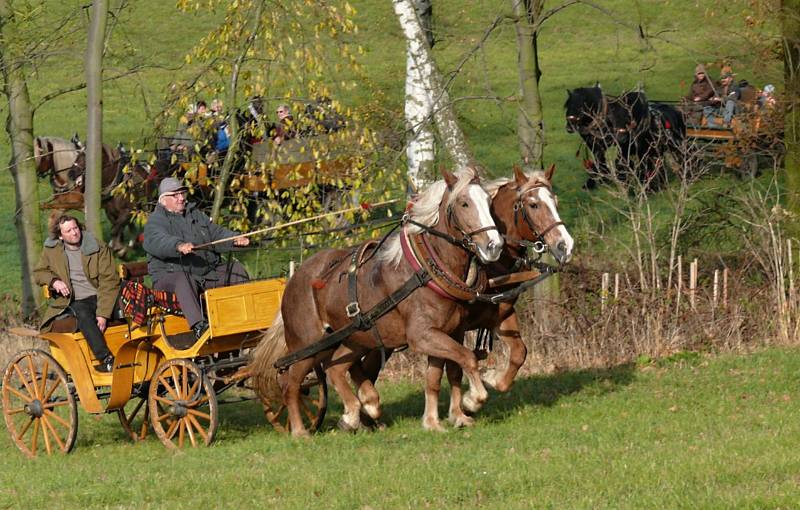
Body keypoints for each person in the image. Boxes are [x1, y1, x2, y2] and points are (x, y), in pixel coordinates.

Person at [143, 178, 250, 339]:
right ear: (163, 200)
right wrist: (178, 246)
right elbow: (158, 241)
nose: (181, 198)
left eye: (182, 193)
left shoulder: (196, 214)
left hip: (203, 273)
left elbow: (216, 234)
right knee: (182, 279)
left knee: (235, 271)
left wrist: (235, 239)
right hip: (170, 277)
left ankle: (242, 317)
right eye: (175, 195)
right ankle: (199, 326)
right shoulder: (155, 221)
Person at [33, 215, 118, 372]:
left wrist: (103, 314)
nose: (74, 233)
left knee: (129, 305)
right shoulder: (52, 251)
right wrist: (54, 281)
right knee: (83, 315)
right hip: (77, 301)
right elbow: (39, 273)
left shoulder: (97, 247)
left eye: (75, 228)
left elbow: (109, 281)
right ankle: (106, 359)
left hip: (101, 295)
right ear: (60, 236)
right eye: (68, 231)